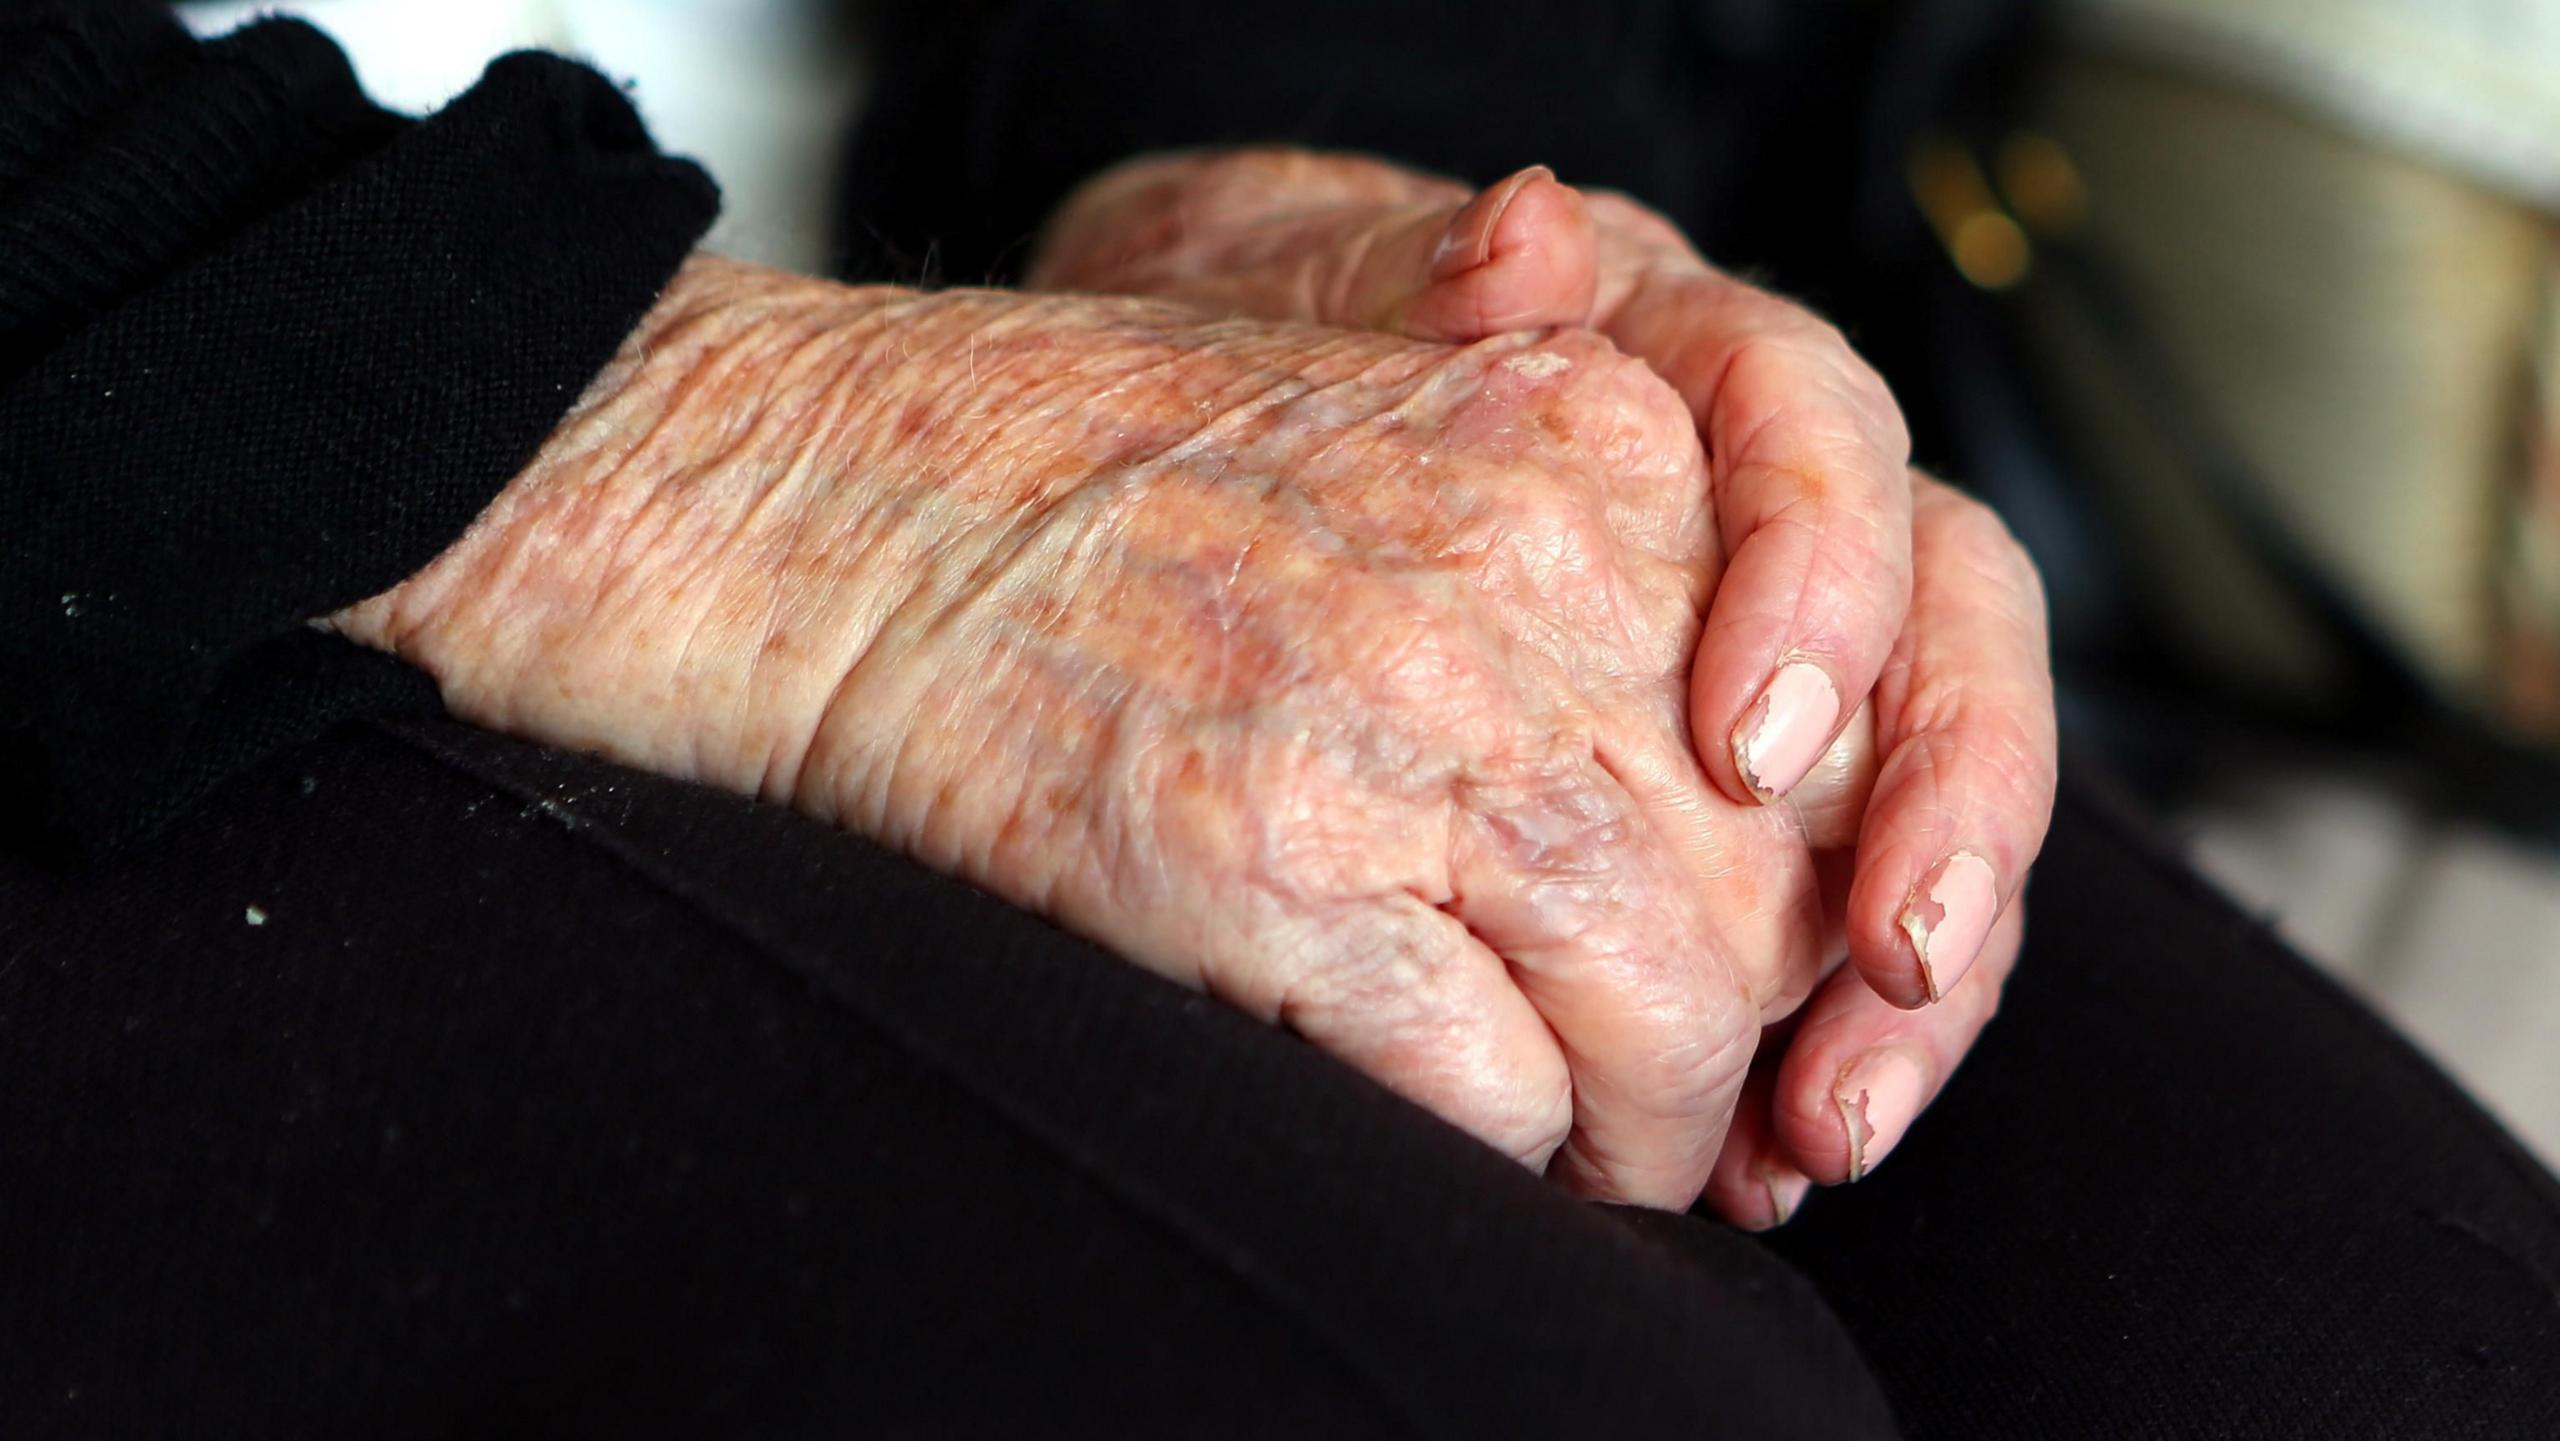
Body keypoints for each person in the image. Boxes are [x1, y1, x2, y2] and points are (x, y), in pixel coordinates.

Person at [4, 2, 2556, 1436]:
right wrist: (693, 457)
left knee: (2395, 1364)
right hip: (147, 431)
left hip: (856, 238)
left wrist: (1303, 164)